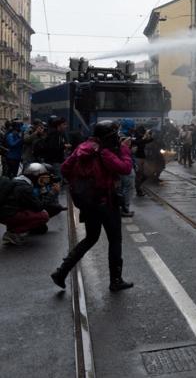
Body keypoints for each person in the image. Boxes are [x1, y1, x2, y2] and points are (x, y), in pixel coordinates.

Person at [50, 121, 134, 292]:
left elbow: (66, 168)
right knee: (115, 240)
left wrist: (82, 183)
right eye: (115, 134)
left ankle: (61, 272)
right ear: (109, 136)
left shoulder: (83, 147)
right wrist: (124, 150)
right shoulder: (105, 152)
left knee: (90, 238)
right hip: (105, 202)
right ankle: (115, 280)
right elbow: (125, 168)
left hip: (88, 203)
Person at [0, 163, 63, 245]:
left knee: (42, 224)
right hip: (8, 215)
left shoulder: (18, 180)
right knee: (43, 216)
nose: (44, 182)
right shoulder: (25, 187)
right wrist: (52, 193)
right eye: (42, 179)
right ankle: (13, 233)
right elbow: (39, 207)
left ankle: (14, 228)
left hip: (6, 213)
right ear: (35, 177)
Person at [36, 116, 70, 180]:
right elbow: (53, 147)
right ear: (59, 125)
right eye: (64, 124)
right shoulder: (54, 134)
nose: (66, 126)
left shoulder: (59, 133)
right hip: (54, 161)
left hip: (57, 160)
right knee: (57, 179)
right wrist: (64, 146)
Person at [117, 119, 136, 217]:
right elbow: (127, 151)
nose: (134, 128)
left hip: (120, 165)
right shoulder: (126, 137)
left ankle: (121, 208)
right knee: (128, 187)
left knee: (122, 188)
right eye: (133, 126)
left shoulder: (119, 134)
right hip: (126, 166)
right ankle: (125, 209)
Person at [131, 126, 153, 197]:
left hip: (143, 157)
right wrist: (144, 137)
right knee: (139, 175)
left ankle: (138, 185)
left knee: (148, 173)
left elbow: (150, 140)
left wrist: (149, 135)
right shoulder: (134, 137)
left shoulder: (142, 137)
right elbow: (138, 142)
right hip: (137, 158)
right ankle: (138, 190)